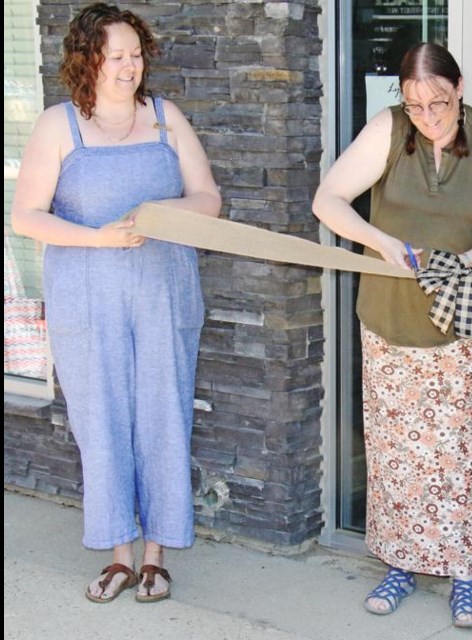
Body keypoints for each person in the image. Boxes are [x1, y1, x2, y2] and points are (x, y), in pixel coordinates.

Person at [10, 3, 220, 604]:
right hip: (86, 297)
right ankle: (118, 554)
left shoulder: (165, 118)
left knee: (164, 416)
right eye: (115, 55)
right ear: (88, 60)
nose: (129, 66)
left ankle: (158, 554)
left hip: (164, 294)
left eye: (135, 54)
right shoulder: (58, 125)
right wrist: (101, 236)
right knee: (100, 424)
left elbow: (208, 199)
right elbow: (27, 217)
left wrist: (159, 215)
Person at [311, 43, 472, 628]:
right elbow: (328, 200)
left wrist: (459, 262)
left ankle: (461, 575)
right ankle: (401, 563)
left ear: (460, 87)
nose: (427, 116)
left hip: (454, 317)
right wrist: (381, 242)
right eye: (415, 104)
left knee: (453, 451)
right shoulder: (388, 129)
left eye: (440, 102)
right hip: (387, 316)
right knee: (396, 451)